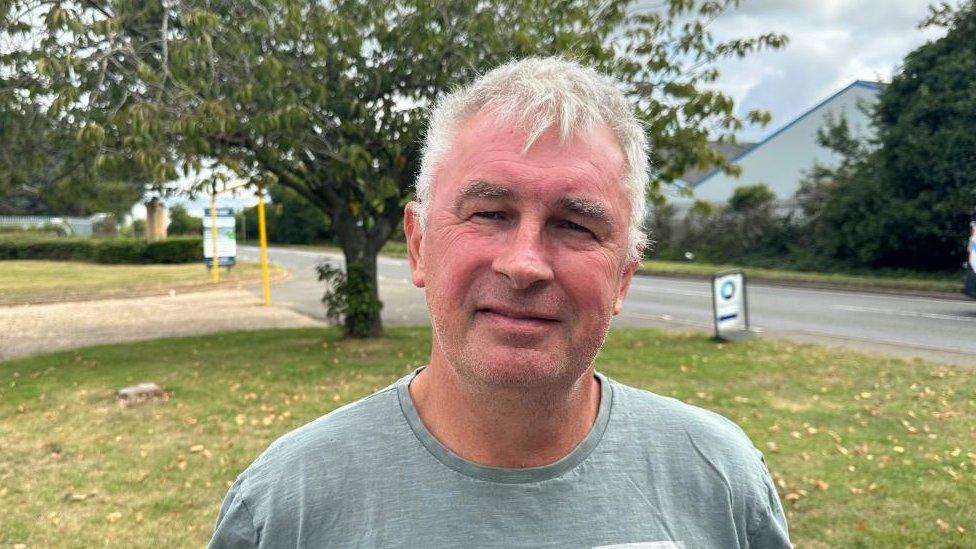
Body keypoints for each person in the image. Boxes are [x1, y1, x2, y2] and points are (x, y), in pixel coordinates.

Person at [209, 57, 791, 548]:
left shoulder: (720, 482)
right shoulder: (288, 506)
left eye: (575, 225)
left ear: (623, 277)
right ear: (419, 244)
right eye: (489, 213)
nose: (524, 264)